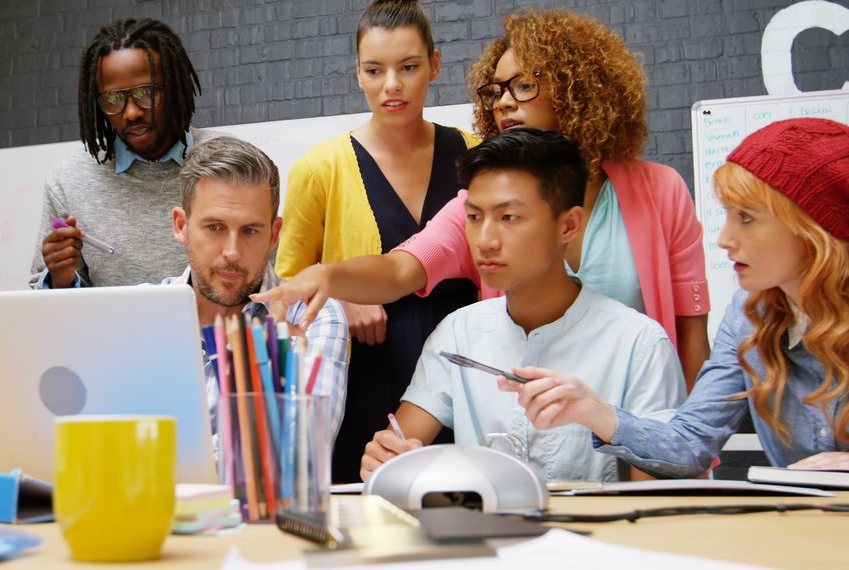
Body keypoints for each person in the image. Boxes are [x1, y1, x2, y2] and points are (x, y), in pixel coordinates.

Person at [258, 7, 710, 390]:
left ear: (578, 88)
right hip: (531, 435)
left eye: (523, 86)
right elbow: (400, 267)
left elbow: (691, 333)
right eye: (496, 91)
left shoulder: (661, 192)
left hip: (641, 441)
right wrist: (326, 276)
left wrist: (686, 448)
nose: (503, 103)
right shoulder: (476, 206)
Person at [500, 118, 849, 476]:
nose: (724, 238)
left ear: (813, 227)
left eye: (746, 217)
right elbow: (691, 442)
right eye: (727, 215)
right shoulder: (748, 318)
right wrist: (591, 409)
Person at [358, 128, 685, 483]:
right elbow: (401, 443)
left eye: (509, 218)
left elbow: (657, 498)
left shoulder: (639, 344)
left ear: (568, 225)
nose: (484, 241)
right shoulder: (458, 333)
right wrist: (387, 458)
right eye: (474, 217)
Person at [275, 0, 480, 482]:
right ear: (358, 74)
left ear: (434, 65)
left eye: (408, 67)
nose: (392, 85)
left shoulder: (475, 154)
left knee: (468, 498)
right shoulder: (318, 169)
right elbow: (287, 286)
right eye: (375, 70)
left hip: (465, 364)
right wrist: (340, 303)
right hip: (366, 366)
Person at [165, 136, 351, 440]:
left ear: (274, 234)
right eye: (214, 227)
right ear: (181, 226)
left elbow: (297, 449)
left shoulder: (313, 316)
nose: (232, 252)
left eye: (250, 230)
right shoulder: (137, 315)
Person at [30, 17, 216, 289]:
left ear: (175, 87)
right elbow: (40, 296)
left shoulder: (229, 161)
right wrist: (61, 278)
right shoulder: (69, 181)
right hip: (112, 332)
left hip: (216, 331)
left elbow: (263, 273)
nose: (131, 112)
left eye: (146, 92)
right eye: (113, 99)